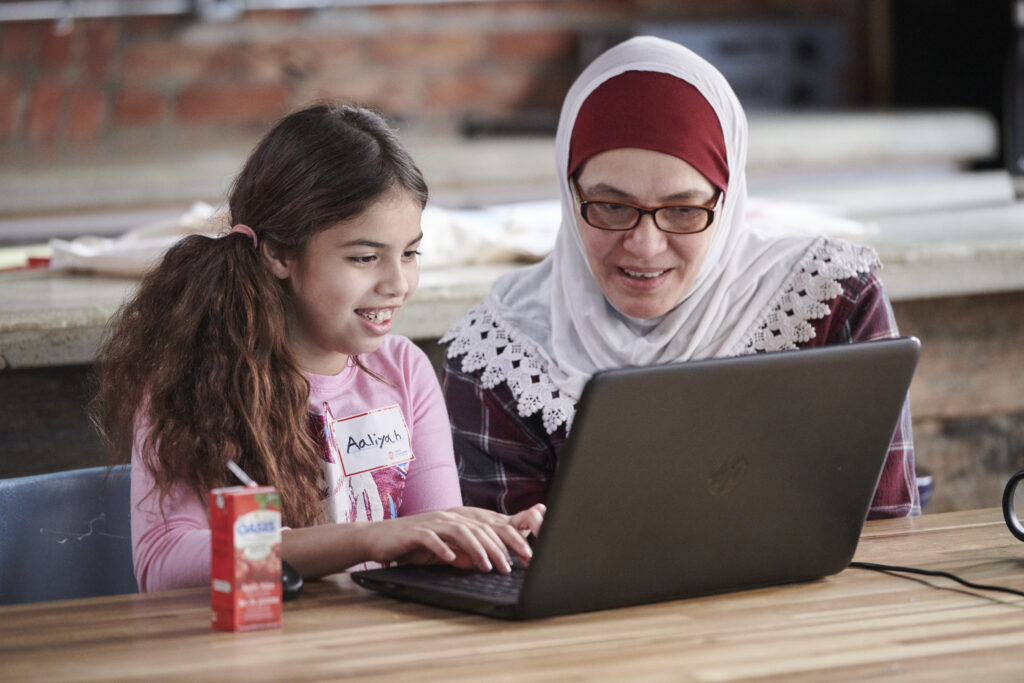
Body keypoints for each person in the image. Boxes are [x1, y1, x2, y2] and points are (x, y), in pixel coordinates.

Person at [441, 36, 919, 520]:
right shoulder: (504, 357)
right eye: (610, 206)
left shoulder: (831, 302)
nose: (645, 245)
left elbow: (886, 529)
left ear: (727, 202)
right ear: (569, 196)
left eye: (684, 210)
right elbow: (505, 571)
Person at [90, 103, 544, 592]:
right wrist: (363, 540)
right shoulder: (191, 377)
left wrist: (480, 539)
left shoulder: (404, 369)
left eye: (410, 253)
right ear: (280, 253)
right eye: (365, 257)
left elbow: (428, 532)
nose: (397, 283)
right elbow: (164, 565)